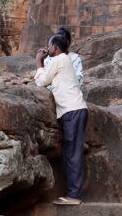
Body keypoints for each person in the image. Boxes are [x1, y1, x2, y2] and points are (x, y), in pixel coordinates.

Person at [35, 33, 88, 205]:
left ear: (55, 48)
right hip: (73, 109)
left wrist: (39, 63)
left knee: (72, 153)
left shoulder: (59, 59)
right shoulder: (65, 60)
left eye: (49, 46)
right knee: (69, 152)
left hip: (72, 110)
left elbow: (42, 82)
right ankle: (74, 193)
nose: (47, 49)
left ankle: (74, 195)